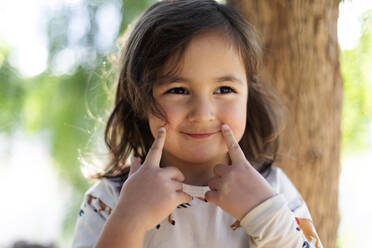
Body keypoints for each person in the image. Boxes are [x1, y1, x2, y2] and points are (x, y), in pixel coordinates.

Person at [72, 0, 323, 247]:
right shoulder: (110, 198)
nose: (203, 114)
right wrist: (129, 220)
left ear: (249, 94)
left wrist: (263, 213)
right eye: (178, 90)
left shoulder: (271, 189)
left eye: (224, 89)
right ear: (139, 98)